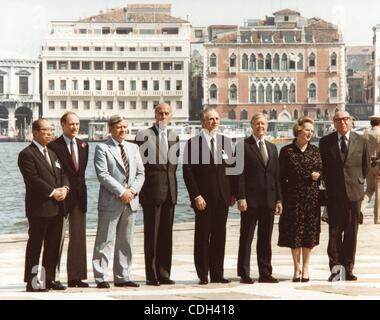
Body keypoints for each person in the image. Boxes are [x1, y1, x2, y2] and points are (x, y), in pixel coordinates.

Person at [183, 107, 235, 285]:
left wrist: (234, 194)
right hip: (203, 199)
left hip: (223, 199)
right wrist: (196, 195)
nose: (215, 122)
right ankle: (203, 274)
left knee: (220, 236)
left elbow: (233, 170)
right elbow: (188, 173)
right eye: (211, 119)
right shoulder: (193, 144)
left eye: (217, 119)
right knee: (203, 237)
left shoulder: (226, 142)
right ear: (203, 122)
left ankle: (217, 273)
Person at [92, 115, 145, 288]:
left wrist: (133, 191)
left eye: (125, 127)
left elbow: (140, 174)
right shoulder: (102, 148)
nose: (123, 130)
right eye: (119, 127)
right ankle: (101, 277)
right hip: (111, 201)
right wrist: (122, 191)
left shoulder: (134, 147)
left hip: (131, 201)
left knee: (126, 240)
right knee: (105, 239)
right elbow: (103, 175)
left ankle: (123, 276)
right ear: (111, 129)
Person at [18, 119, 69, 292]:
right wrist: (53, 192)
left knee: (53, 246)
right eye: (45, 130)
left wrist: (65, 188)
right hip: (39, 208)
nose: (50, 133)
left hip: (57, 207)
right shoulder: (27, 154)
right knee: (35, 246)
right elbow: (33, 180)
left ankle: (49, 279)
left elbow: (63, 174)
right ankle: (32, 283)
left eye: (51, 130)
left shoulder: (52, 153)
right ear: (35, 133)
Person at [319, 110, 370, 281]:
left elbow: (366, 166)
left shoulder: (362, 140)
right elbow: (323, 167)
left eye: (345, 119)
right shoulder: (325, 142)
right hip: (334, 194)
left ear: (351, 121)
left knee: (351, 233)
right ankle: (336, 270)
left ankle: (348, 268)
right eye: (338, 119)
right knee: (334, 233)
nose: (342, 122)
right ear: (334, 122)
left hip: (354, 194)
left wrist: (358, 183)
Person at [135, 103, 179, 286]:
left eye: (166, 113)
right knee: (151, 236)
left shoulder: (174, 137)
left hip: (170, 192)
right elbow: (139, 166)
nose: (163, 116)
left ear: (170, 117)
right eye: (160, 113)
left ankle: (164, 273)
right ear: (155, 115)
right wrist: (141, 192)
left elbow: (173, 168)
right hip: (152, 193)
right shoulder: (144, 136)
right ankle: (151, 275)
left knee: (166, 236)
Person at [236, 113, 282, 284]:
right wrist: (241, 197)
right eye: (257, 124)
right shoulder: (243, 146)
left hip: (269, 200)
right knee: (246, 238)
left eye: (263, 124)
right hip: (250, 200)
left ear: (267, 126)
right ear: (251, 125)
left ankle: (265, 273)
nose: (260, 127)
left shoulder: (272, 147)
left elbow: (276, 176)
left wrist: (279, 199)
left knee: (265, 239)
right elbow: (238, 175)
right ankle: (244, 272)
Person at [278, 117, 322, 282]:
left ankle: (306, 268)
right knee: (295, 233)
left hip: (312, 198)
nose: (310, 133)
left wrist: (319, 175)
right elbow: (280, 177)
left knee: (309, 234)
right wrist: (279, 200)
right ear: (298, 130)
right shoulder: (286, 151)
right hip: (292, 198)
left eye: (312, 130)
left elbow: (322, 171)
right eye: (307, 130)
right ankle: (296, 268)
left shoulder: (316, 151)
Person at [48, 112, 89, 288]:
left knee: (78, 238)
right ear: (62, 124)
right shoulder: (53, 146)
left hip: (80, 198)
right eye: (71, 124)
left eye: (77, 124)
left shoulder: (83, 145)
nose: (75, 127)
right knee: (56, 238)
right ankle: (52, 276)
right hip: (61, 198)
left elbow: (81, 174)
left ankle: (76, 276)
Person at [360, 115, 380, 224]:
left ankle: (359, 209)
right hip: (378, 164)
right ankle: (378, 218)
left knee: (369, 190)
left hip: (368, 164)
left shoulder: (365, 133)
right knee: (379, 191)